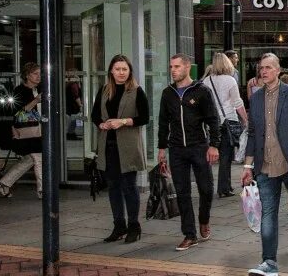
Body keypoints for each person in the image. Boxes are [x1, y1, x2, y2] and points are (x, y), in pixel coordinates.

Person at [242, 53, 288, 276]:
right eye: (260, 68)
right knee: (268, 213)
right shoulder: (254, 98)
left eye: (268, 67)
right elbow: (253, 134)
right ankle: (269, 263)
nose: (263, 71)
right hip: (265, 165)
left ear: (278, 70)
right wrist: (247, 167)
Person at [157, 53, 221, 252]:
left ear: (187, 68)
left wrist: (214, 145)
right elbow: (162, 123)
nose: (173, 70)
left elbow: (213, 119)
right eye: (171, 67)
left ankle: (204, 219)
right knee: (182, 192)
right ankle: (189, 234)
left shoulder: (201, 91)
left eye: (177, 66)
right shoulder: (168, 93)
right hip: (176, 149)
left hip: (199, 146)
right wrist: (161, 148)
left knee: (206, 188)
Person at [92, 54, 149, 244]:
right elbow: (94, 116)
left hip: (128, 147)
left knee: (129, 187)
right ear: (111, 71)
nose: (121, 73)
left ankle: (134, 226)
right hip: (108, 147)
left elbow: (144, 118)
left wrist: (122, 121)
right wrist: (101, 124)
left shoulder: (136, 91)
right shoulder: (104, 90)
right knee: (113, 188)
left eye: (125, 69)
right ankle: (119, 225)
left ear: (129, 71)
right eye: (118, 69)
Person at [0, 62, 44, 199]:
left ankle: (3, 183)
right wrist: (35, 101)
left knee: (29, 159)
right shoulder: (20, 91)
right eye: (35, 74)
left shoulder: (39, 89)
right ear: (27, 75)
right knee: (39, 158)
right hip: (27, 131)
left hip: (38, 129)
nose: (38, 76)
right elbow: (18, 114)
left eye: (40, 73)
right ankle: (42, 190)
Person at [203, 51, 248, 198]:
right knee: (226, 157)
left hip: (212, 123)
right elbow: (237, 103)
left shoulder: (206, 81)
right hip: (228, 120)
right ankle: (224, 187)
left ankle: (216, 186)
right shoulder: (230, 80)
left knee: (213, 154)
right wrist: (246, 119)